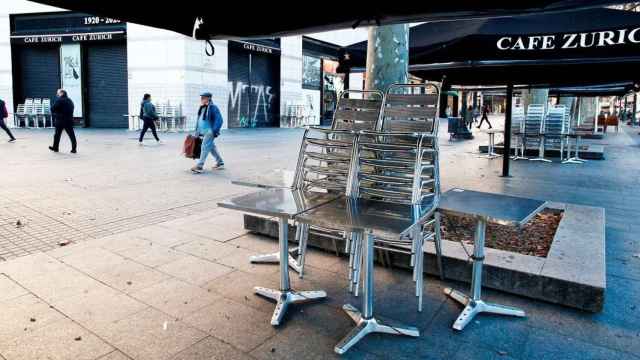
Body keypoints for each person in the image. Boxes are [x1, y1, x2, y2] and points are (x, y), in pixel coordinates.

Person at [190, 91, 224, 173]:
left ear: (208, 98)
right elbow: (199, 120)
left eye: (203, 97)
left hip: (210, 131)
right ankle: (220, 162)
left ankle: (199, 166)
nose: (201, 99)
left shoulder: (213, 107)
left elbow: (219, 120)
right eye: (201, 97)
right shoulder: (202, 108)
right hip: (203, 131)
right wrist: (197, 132)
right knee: (212, 148)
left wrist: (214, 131)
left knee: (204, 146)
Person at [49, 89, 77, 153]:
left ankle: (55, 148)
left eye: (58, 93)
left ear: (62, 93)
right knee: (71, 135)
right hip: (69, 120)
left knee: (57, 135)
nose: (57, 94)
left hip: (60, 120)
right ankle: (74, 149)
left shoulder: (59, 100)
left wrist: (56, 113)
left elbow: (52, 108)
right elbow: (72, 109)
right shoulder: (70, 100)